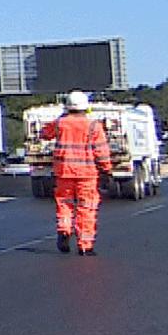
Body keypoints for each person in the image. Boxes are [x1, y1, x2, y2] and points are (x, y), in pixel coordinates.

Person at [41, 90, 112, 255]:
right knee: (86, 207)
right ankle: (85, 245)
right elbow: (101, 151)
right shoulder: (94, 125)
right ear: (86, 108)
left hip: (64, 172)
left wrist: (61, 118)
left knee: (64, 203)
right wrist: (106, 170)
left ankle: (64, 230)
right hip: (87, 174)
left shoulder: (60, 123)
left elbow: (44, 134)